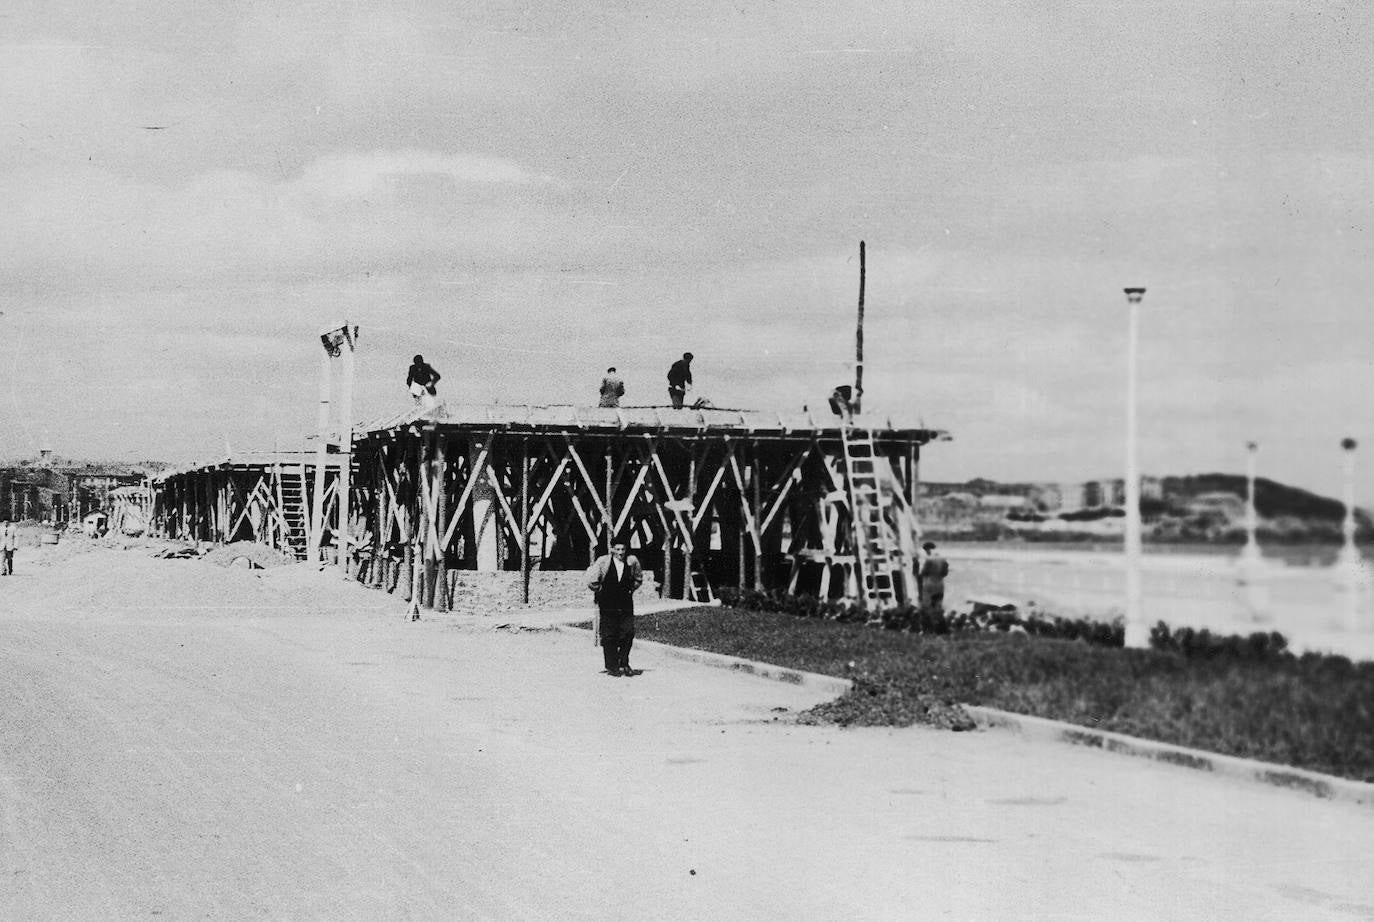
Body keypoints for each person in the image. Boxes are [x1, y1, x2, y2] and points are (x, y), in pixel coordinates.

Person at [586, 537, 644, 677]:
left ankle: (624, 663)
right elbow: (592, 580)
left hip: (625, 602)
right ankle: (612, 666)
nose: (620, 552)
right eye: (617, 549)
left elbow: (638, 578)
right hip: (608, 603)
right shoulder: (603, 562)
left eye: (623, 549)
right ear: (612, 549)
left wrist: (630, 589)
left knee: (628, 632)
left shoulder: (632, 561)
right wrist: (600, 591)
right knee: (610, 635)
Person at [918, 541, 949, 615]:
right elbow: (945, 573)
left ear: (928, 549)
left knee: (928, 604)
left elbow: (924, 573)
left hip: (930, 582)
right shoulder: (943, 559)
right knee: (938, 602)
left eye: (926, 551)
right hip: (940, 583)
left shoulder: (929, 559)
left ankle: (930, 617)